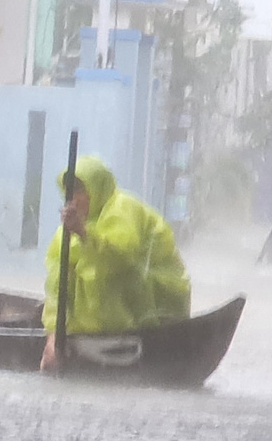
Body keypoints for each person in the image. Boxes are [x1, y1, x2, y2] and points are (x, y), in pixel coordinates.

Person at [41, 154, 190, 371]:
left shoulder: (123, 209)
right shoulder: (64, 234)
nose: (73, 199)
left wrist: (84, 234)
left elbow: (122, 260)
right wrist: (54, 337)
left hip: (150, 316)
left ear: (96, 188)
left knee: (105, 275)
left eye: (80, 190)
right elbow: (57, 288)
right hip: (101, 329)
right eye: (69, 191)